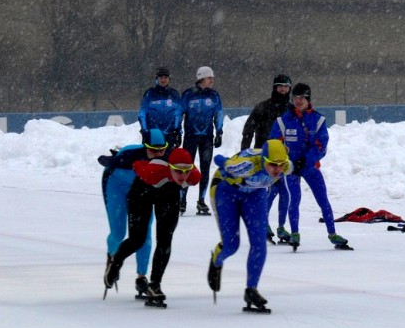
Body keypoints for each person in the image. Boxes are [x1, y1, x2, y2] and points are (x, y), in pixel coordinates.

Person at [104, 148, 201, 305]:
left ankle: (155, 285)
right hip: (142, 191)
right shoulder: (153, 170)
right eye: (178, 171)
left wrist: (179, 176)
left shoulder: (194, 176)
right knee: (138, 239)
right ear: (170, 167)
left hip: (169, 195)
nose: (183, 176)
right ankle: (116, 261)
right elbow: (136, 165)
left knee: (165, 240)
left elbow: (186, 175)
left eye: (186, 171)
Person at [207, 139, 291, 312]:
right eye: (272, 165)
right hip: (226, 190)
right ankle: (217, 260)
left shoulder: (286, 166)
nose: (277, 170)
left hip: (255, 194)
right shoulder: (246, 165)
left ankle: (251, 290)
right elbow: (219, 160)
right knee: (231, 245)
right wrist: (225, 163)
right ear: (263, 161)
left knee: (259, 243)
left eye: (280, 165)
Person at [268, 83, 351, 250]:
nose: (298, 101)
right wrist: (285, 162)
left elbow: (321, 145)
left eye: (302, 98)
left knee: (323, 199)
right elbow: (274, 144)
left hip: (309, 166)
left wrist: (306, 160)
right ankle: (295, 233)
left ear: (308, 99)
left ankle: (332, 233)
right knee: (294, 199)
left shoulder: (318, 120)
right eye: (295, 98)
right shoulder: (283, 121)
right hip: (290, 168)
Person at [99, 128, 168, 298]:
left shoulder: (166, 158)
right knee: (118, 232)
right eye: (153, 150)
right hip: (115, 185)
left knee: (144, 233)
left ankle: (141, 277)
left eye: (162, 150)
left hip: (140, 190)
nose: (158, 154)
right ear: (145, 147)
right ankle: (113, 258)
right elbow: (106, 161)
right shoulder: (130, 154)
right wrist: (109, 160)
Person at [240, 74, 292, 243]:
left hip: (284, 158)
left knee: (284, 191)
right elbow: (248, 130)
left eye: (286, 86)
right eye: (280, 86)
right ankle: (263, 223)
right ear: (274, 88)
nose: (283, 89)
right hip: (265, 157)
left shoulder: (292, 109)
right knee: (267, 190)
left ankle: (281, 226)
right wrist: (245, 154)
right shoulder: (263, 107)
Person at [179, 66, 224, 216]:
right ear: (202, 78)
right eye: (210, 78)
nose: (212, 80)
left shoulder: (214, 95)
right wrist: (177, 131)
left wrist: (219, 132)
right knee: (185, 168)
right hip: (190, 137)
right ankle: (182, 200)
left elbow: (219, 113)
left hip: (206, 137)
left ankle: (201, 201)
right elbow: (179, 114)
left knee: (205, 168)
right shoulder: (188, 95)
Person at [138, 66, 183, 149]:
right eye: (161, 77)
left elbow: (178, 114)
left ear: (169, 79)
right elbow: (142, 113)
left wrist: (178, 131)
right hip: (153, 135)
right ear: (157, 78)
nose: (163, 80)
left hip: (169, 135)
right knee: (153, 161)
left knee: (168, 161)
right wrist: (144, 130)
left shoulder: (174, 94)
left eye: (166, 77)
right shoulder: (149, 93)